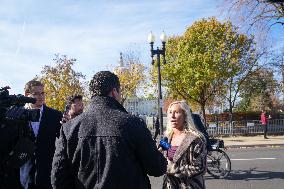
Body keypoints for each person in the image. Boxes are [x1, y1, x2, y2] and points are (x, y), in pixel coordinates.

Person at [51, 71, 167, 189]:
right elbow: (156, 168)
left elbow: (58, 177)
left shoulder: (69, 128)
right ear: (114, 92)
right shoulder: (133, 124)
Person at [20, 80, 62, 189]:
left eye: (43, 93)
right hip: (21, 173)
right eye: (36, 93)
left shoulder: (55, 115)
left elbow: (62, 143)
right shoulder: (17, 115)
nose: (41, 96)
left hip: (46, 174)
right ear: (26, 94)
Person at [162, 101, 207, 189]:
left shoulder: (196, 139)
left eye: (177, 112)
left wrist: (170, 168)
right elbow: (162, 155)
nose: (172, 115)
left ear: (185, 116)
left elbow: (200, 167)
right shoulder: (167, 137)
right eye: (170, 112)